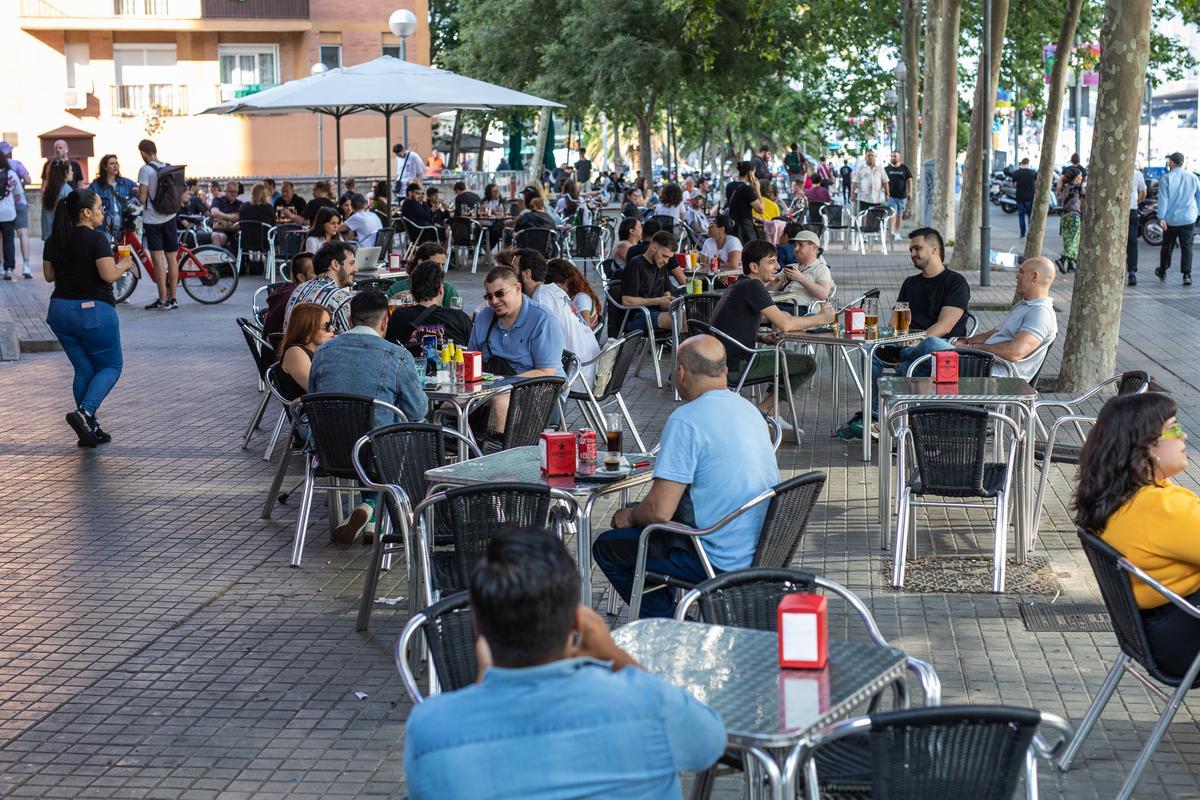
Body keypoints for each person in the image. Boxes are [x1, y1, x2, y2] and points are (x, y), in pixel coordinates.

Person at [404, 527, 726, 798]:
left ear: (476, 625)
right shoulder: (648, 702)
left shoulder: (430, 729)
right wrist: (614, 655)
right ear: (579, 622)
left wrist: (484, 680)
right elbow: (710, 745)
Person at [593, 335, 782, 618]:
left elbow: (659, 512)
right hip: (764, 550)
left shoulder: (687, 420)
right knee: (650, 538)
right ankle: (672, 615)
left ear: (679, 372)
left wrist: (629, 517)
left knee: (609, 547)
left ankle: (671, 625)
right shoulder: (749, 410)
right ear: (724, 371)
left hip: (716, 557)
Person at [1070, 392, 1200, 677]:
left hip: (1156, 633)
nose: (1184, 436)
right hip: (1185, 640)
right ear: (1147, 445)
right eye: (1174, 428)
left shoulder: (1119, 496)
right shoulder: (1161, 508)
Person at [309, 289, 427, 542]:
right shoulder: (396, 355)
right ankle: (382, 516)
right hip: (378, 454)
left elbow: (313, 398)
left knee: (373, 435)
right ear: (385, 321)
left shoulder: (323, 352)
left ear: (350, 321)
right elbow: (418, 410)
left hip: (328, 452)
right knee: (408, 430)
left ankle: (370, 512)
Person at [837, 227, 971, 440]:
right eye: (910, 250)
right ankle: (876, 416)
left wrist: (917, 340)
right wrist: (897, 340)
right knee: (869, 348)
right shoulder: (910, 283)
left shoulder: (955, 282)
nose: (912, 254)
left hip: (938, 350)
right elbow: (895, 320)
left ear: (935, 249)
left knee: (929, 347)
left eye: (917, 248)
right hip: (905, 345)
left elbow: (945, 325)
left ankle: (880, 411)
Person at [712, 239, 833, 429]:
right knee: (807, 364)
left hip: (724, 360)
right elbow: (785, 324)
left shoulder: (740, 285)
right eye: (771, 262)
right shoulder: (753, 286)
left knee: (786, 360)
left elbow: (734, 324)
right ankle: (760, 412)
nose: (777, 267)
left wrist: (761, 337)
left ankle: (771, 413)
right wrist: (822, 318)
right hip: (739, 364)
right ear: (753, 266)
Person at [42, 189, 125, 447]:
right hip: (92, 311)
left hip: (59, 311)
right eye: (99, 207)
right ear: (86, 212)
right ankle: (85, 412)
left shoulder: (54, 239)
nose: (102, 211)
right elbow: (108, 275)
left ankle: (90, 428)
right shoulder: (96, 238)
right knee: (111, 366)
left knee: (84, 369)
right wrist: (125, 265)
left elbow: (48, 276)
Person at [890, 257, 1058, 381]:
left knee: (931, 344)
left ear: (1035, 277)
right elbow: (992, 334)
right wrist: (965, 341)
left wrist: (972, 347)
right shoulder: (1024, 305)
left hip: (993, 373)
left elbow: (1014, 352)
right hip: (980, 362)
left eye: (1021, 272)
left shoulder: (1040, 313)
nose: (1016, 276)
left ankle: (902, 353)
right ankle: (878, 413)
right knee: (913, 367)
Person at [467, 266, 565, 433]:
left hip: (541, 390)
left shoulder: (543, 320)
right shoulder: (484, 316)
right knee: (449, 404)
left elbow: (546, 371)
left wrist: (501, 385)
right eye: (489, 296)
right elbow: (471, 358)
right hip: (492, 384)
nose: (494, 301)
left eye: (500, 294)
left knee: (500, 400)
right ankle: (460, 452)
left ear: (518, 288)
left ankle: (501, 454)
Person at [516, 248, 600, 386]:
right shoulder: (553, 290)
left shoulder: (541, 297)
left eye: (512, 270)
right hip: (590, 365)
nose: (509, 275)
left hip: (578, 373)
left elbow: (540, 343)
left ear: (526, 274)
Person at [135, 139, 180, 310]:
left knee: (158, 259)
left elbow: (142, 198)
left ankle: (162, 299)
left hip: (153, 220)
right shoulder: (167, 167)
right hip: (170, 217)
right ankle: (173, 298)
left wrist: (138, 191)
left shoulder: (145, 170)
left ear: (143, 153)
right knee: (172, 258)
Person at [384, 260, 472, 347]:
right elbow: (473, 351)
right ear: (441, 289)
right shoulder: (460, 318)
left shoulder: (399, 316)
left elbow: (389, 347)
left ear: (412, 292)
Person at [619, 230, 683, 336]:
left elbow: (666, 293)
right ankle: (682, 351)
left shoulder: (661, 265)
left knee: (691, 316)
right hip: (638, 315)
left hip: (656, 313)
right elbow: (627, 301)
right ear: (654, 248)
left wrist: (669, 302)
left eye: (669, 258)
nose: (666, 261)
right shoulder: (636, 265)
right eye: (664, 256)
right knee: (681, 321)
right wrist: (658, 301)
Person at [285, 241, 356, 333]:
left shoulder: (299, 288)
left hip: (290, 347)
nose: (355, 269)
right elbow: (350, 340)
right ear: (335, 264)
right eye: (351, 263)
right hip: (321, 347)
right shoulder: (341, 298)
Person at [1155, 152, 1200, 287]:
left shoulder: (1166, 178)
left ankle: (1162, 270)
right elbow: (1199, 196)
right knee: (1187, 247)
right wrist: (1197, 212)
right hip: (1188, 218)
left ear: (1173, 162)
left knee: (1167, 245)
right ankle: (1187, 275)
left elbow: (1163, 199)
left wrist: (1161, 217)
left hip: (1171, 219)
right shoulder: (1193, 177)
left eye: (1169, 161)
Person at [277, 302, 335, 400]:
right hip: (311, 413)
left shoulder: (319, 350)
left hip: (327, 408)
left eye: (331, 324)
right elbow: (318, 390)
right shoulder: (295, 353)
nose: (333, 329)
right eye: (327, 326)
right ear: (308, 329)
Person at [263, 252, 315, 339]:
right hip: (279, 348)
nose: (321, 276)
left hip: (273, 345)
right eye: (315, 273)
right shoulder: (296, 298)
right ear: (301, 277)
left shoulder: (289, 290)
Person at [88, 155, 137, 245]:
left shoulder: (127, 184)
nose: (115, 166)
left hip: (124, 229)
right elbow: (88, 205)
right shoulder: (95, 186)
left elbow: (140, 200)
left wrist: (133, 212)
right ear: (105, 167)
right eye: (111, 163)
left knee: (125, 256)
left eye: (116, 163)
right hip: (104, 229)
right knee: (107, 255)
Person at [0, 142, 32, 276]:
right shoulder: (16, 165)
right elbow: (28, 180)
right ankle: (26, 265)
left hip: (5, 206)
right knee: (22, 234)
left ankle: (3, 266)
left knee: (3, 237)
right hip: (18, 203)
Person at [777, 230, 835, 303]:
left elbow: (823, 295)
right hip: (780, 306)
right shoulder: (790, 267)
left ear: (813, 248)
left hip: (802, 309)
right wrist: (777, 281)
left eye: (800, 245)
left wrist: (801, 279)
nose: (795, 249)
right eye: (795, 245)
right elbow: (767, 292)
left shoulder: (821, 269)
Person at [546, 258, 600, 327]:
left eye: (555, 286)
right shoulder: (571, 295)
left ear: (566, 282)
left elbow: (586, 328)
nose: (552, 290)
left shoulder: (581, 299)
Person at [724, 161, 763, 245]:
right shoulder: (748, 189)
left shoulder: (729, 186)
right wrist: (757, 189)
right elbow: (761, 209)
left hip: (732, 226)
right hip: (745, 229)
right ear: (750, 173)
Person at [1056, 167, 1084, 275]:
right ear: (1076, 178)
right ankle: (1062, 259)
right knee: (1074, 241)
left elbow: (1059, 196)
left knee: (1068, 241)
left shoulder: (1064, 188)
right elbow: (1085, 200)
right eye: (1080, 176)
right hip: (1074, 216)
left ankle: (1070, 264)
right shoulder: (1079, 188)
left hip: (1065, 216)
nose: (1081, 177)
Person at [41, 160, 72, 244]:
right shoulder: (67, 190)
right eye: (71, 170)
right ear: (65, 172)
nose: (72, 172)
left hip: (49, 236)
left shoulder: (49, 190)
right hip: (62, 235)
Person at [883, 151, 913, 240]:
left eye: (895, 156)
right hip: (891, 196)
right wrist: (885, 193)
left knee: (899, 215)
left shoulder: (904, 168)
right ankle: (892, 231)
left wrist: (910, 192)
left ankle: (897, 233)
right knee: (892, 214)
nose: (893, 158)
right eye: (892, 156)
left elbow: (909, 180)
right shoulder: (886, 169)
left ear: (899, 158)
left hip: (902, 197)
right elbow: (883, 182)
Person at [1128, 166, 1148, 286]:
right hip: (1131, 210)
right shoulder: (1137, 174)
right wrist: (1137, 201)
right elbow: (1143, 192)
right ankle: (1132, 272)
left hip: (1116, 212)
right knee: (1132, 243)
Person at [1012, 158, 1038, 238]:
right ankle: (1030, 233)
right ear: (1028, 163)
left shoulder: (1016, 173)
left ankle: (1022, 233)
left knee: (1021, 216)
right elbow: (1037, 183)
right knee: (1030, 216)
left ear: (1021, 163)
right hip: (1030, 197)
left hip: (1020, 197)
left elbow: (1013, 184)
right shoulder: (1033, 173)